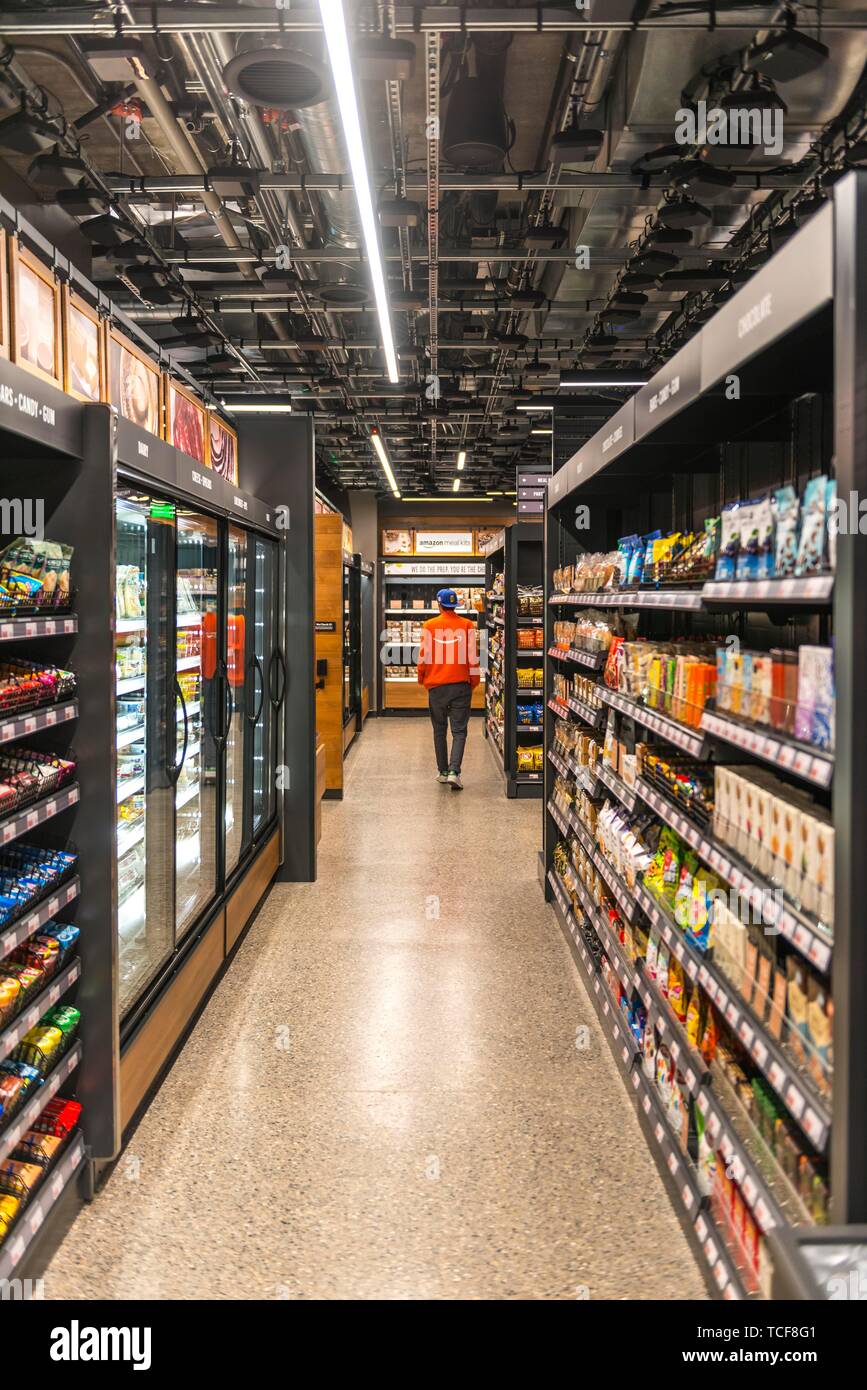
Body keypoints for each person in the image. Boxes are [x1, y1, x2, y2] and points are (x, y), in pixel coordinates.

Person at [416, 588, 480, 791]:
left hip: (436, 686)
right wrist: (474, 680)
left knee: (439, 730)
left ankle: (443, 772)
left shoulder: (429, 626)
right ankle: (454, 771)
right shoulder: (467, 625)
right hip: (461, 685)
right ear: (455, 605)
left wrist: (422, 678)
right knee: (459, 731)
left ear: (439, 604)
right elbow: (472, 656)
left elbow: (423, 657)